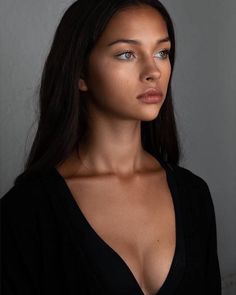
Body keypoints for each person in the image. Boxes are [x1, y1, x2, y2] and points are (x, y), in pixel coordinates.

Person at [1, 0, 222, 294]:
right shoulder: (26, 211)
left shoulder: (195, 195)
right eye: (127, 54)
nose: (153, 71)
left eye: (162, 52)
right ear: (80, 73)